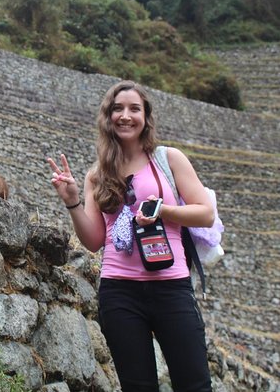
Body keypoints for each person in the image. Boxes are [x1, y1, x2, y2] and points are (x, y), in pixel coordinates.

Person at [47, 80, 213, 391]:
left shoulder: (168, 159)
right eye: (117, 109)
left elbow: (205, 212)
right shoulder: (97, 174)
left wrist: (163, 211)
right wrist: (72, 201)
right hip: (119, 291)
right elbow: (94, 240)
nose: (126, 116)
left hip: (171, 287)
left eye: (134, 109)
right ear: (107, 116)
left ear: (146, 117)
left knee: (195, 384)